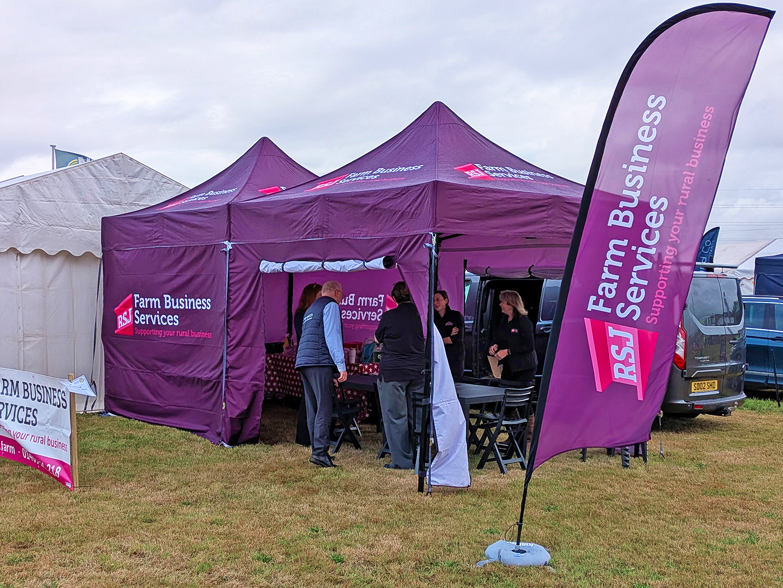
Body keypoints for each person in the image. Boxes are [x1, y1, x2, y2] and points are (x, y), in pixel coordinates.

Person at [295, 280, 347, 468]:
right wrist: (341, 366)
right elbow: (333, 336)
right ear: (337, 293)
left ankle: (316, 449)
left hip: (304, 361)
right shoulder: (330, 305)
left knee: (313, 408)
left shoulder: (310, 309)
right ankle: (320, 452)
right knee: (323, 408)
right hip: (319, 361)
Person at [374, 281, 425, 470]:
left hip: (393, 372)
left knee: (396, 416)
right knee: (416, 415)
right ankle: (420, 456)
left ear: (394, 298)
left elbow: (378, 338)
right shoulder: (422, 315)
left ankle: (403, 461)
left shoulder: (389, 316)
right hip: (418, 370)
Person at [293, 283, 322, 447]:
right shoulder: (302, 315)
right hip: (307, 359)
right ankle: (304, 436)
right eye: (318, 295)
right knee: (308, 398)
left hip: (311, 358)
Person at [488, 290, 537, 385]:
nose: (500, 304)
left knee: (518, 395)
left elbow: (529, 346)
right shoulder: (503, 320)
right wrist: (495, 346)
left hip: (524, 367)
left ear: (511, 304)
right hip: (508, 366)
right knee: (504, 390)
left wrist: (508, 351)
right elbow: (499, 338)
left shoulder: (523, 321)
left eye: (503, 302)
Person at [433, 290, 465, 382]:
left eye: (438, 299)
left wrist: (440, 340)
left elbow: (456, 339)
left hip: (454, 358)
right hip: (438, 357)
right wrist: (447, 336)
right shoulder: (432, 317)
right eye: (434, 300)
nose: (435, 303)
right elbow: (431, 339)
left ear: (446, 300)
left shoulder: (455, 316)